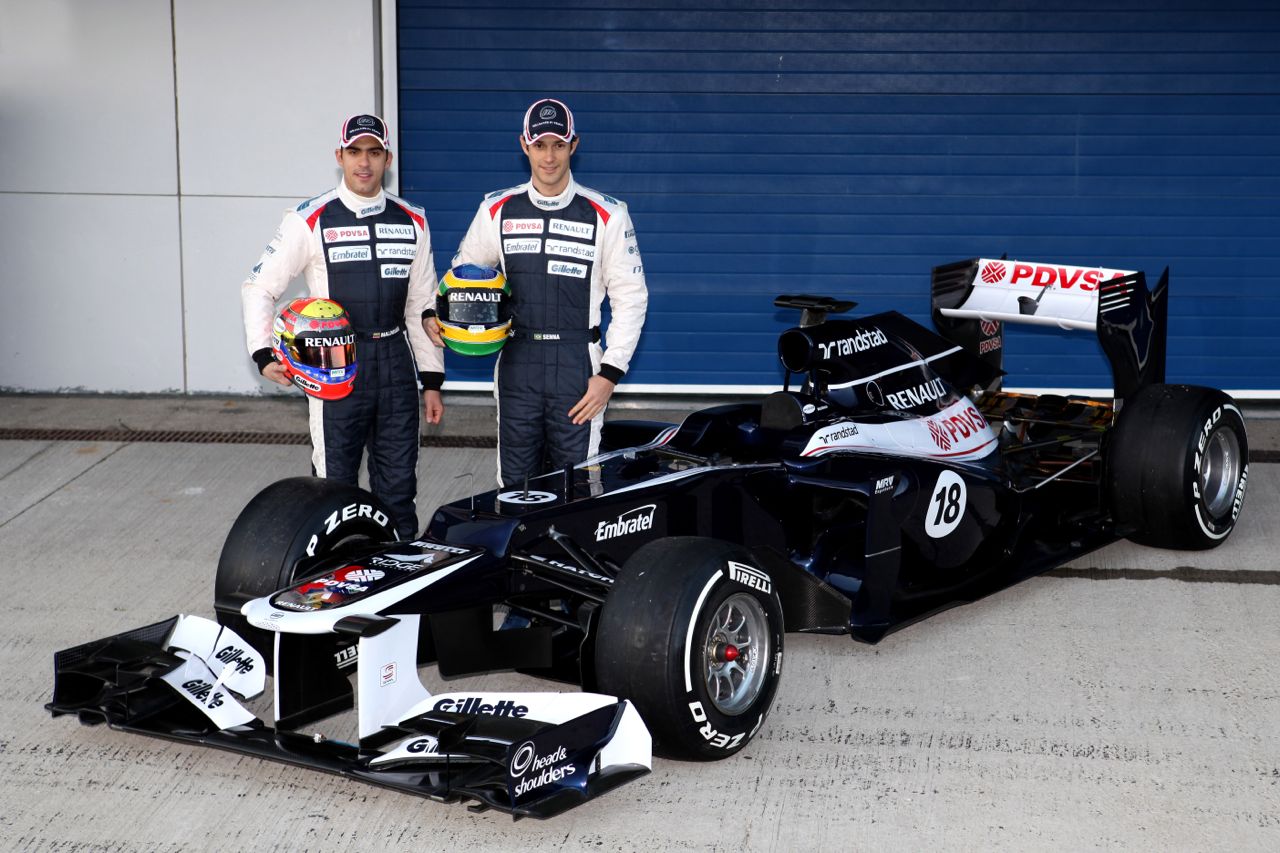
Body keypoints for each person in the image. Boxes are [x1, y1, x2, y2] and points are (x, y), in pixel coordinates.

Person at [241, 113, 444, 539]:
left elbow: (421, 305)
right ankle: (330, 592)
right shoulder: (309, 218)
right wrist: (263, 354)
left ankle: (399, 589)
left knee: (399, 492)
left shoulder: (414, 220)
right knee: (333, 492)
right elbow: (258, 287)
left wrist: (431, 380)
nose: (364, 162)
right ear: (339, 156)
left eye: (373, 152)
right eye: (354, 152)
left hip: (396, 364)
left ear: (387, 158)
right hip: (335, 367)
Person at [436, 97, 647, 487]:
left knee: (576, 486)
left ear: (574, 145)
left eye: (558, 145)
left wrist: (609, 374)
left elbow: (631, 298)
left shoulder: (608, 214)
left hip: (578, 366)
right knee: (517, 485)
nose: (549, 157)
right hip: (518, 361)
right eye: (539, 145)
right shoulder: (496, 209)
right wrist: (441, 319)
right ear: (524, 145)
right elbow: (462, 278)